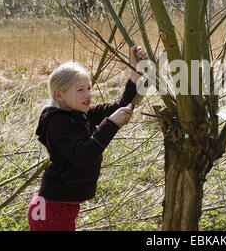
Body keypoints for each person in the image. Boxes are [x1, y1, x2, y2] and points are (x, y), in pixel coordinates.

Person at [27, 46, 148, 231]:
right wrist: (112, 124)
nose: (88, 94)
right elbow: (84, 155)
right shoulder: (56, 123)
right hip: (49, 210)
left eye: (89, 88)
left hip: (62, 208)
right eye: (81, 89)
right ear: (59, 95)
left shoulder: (82, 114)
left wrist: (135, 72)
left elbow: (121, 105)